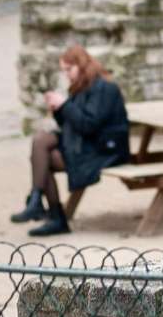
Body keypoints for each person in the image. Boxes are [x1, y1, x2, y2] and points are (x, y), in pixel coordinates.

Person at [10, 44, 128, 236]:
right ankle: (39, 203)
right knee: (40, 141)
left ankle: (48, 210)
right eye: (64, 70)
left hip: (103, 151)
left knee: (43, 156)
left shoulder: (105, 89)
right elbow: (70, 125)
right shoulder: (82, 87)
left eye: (69, 69)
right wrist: (58, 109)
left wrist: (64, 104)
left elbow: (88, 125)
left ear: (81, 65)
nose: (67, 75)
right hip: (86, 145)